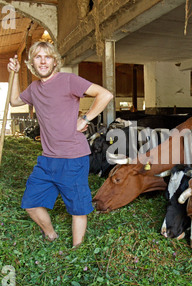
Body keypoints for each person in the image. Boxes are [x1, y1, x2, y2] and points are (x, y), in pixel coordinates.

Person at [7, 41, 113, 247]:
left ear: (55, 61)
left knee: (78, 208)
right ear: (32, 63)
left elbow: (105, 94)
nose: (43, 61)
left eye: (47, 56)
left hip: (73, 158)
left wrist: (86, 118)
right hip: (47, 160)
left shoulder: (69, 80)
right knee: (30, 203)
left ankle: (77, 251)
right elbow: (14, 102)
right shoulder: (34, 88)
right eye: (38, 57)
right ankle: (51, 235)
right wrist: (13, 75)